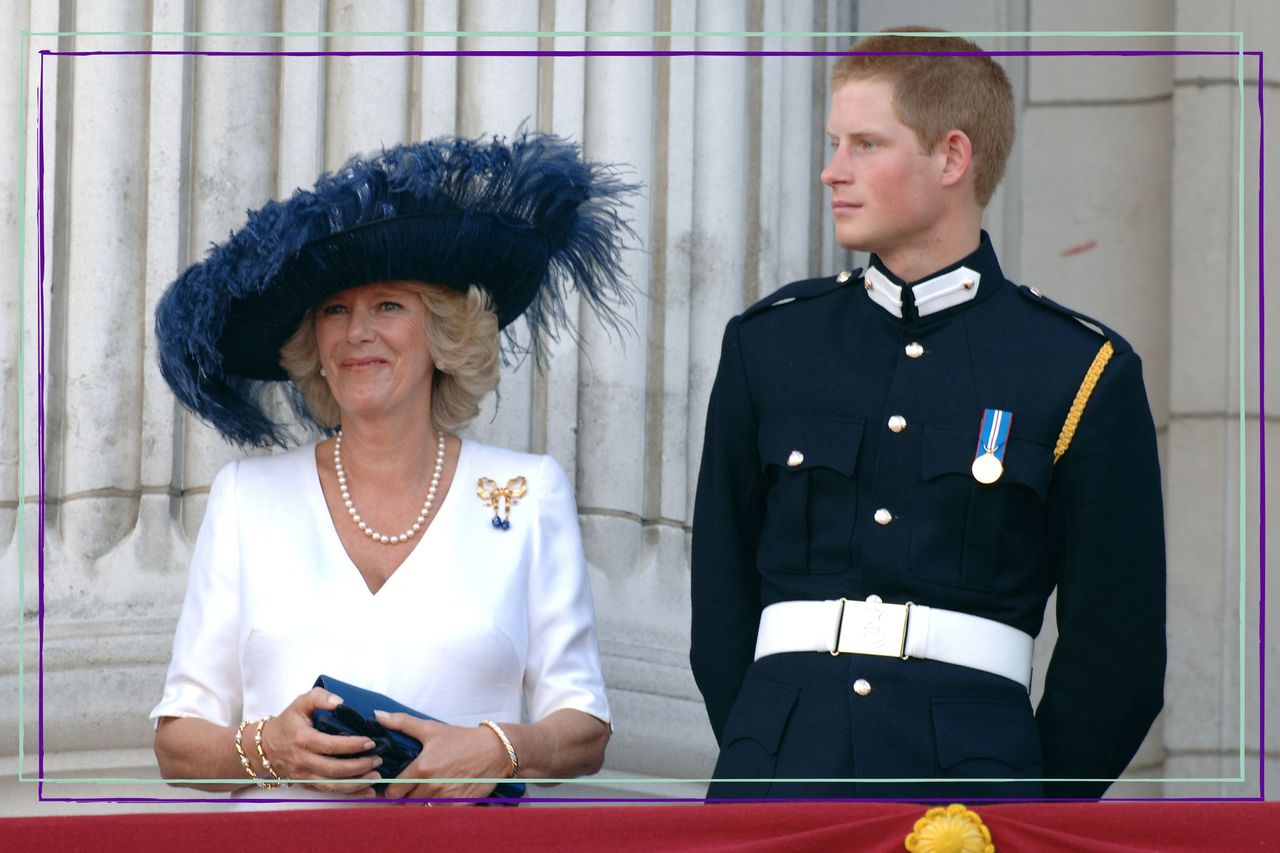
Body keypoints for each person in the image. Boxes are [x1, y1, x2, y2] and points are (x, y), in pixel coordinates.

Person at [689, 27, 1166, 800]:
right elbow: (720, 603)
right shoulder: (770, 344)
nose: (831, 171)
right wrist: (761, 740)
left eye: (865, 144)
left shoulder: (1078, 370)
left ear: (951, 157)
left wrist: (1023, 807)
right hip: (777, 770)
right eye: (833, 142)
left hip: (973, 787)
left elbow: (1119, 656)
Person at [150, 132, 637, 802]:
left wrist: (497, 746)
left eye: (387, 305)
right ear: (312, 344)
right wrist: (267, 747)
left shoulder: (525, 494)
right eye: (335, 310)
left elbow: (584, 727)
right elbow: (179, 742)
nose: (357, 333)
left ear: (443, 332)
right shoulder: (246, 497)